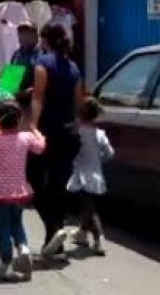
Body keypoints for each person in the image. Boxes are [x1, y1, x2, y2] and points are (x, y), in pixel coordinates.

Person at [28, 23, 86, 258]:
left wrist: (32, 124)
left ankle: (54, 228)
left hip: (47, 132)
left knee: (33, 180)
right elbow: (79, 103)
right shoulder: (73, 68)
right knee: (57, 187)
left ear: (44, 40)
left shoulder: (42, 63)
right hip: (69, 132)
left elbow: (38, 98)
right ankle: (55, 239)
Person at [0, 100, 46, 281]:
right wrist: (37, 132)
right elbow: (40, 148)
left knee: (2, 229)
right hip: (20, 191)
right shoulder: (25, 138)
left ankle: (6, 264)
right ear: (19, 119)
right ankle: (23, 248)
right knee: (17, 223)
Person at [66, 97, 114, 256]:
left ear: (79, 114)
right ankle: (82, 234)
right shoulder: (100, 134)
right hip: (95, 174)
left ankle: (99, 238)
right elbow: (109, 153)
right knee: (87, 206)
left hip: (81, 174)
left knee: (89, 208)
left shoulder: (76, 132)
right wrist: (99, 158)